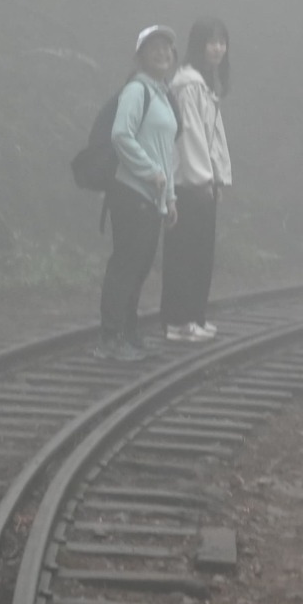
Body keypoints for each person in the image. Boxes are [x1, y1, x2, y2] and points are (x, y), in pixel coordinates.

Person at [98, 25, 179, 361]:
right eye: (154, 48)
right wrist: (150, 172)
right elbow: (121, 135)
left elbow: (166, 149)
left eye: (167, 48)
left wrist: (170, 196)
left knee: (141, 266)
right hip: (130, 192)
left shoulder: (162, 94)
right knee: (126, 265)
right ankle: (110, 339)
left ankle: (129, 333)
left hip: (152, 197)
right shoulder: (136, 91)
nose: (162, 53)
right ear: (141, 56)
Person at [161, 18, 232, 342]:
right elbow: (190, 136)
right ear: (198, 44)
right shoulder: (189, 84)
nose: (218, 48)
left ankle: (193, 317)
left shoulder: (202, 83)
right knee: (186, 253)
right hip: (189, 184)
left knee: (200, 253)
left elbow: (212, 138)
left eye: (222, 41)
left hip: (202, 183)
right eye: (211, 41)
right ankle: (179, 321)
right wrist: (204, 178)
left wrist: (218, 179)